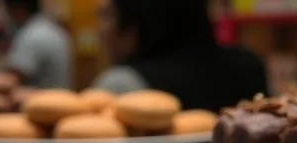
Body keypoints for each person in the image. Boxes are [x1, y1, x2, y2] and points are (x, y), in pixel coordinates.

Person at [92, 0, 268, 112]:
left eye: (108, 15)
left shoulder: (120, 84)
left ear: (136, 20)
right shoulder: (250, 65)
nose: (100, 30)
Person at [3, 0, 73, 90]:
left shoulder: (30, 36)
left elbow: (12, 80)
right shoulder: (54, 29)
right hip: (60, 98)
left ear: (18, 9)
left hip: (40, 101)